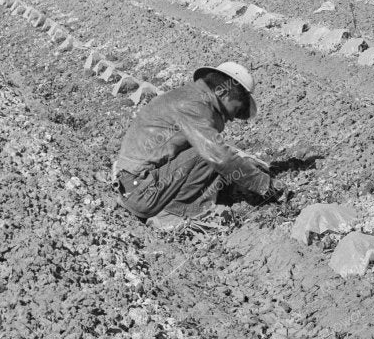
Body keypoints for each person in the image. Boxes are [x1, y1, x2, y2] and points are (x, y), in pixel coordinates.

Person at [112, 60, 270, 227]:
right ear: (224, 93)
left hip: (133, 186)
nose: (232, 118)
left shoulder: (189, 96)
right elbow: (219, 156)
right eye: (236, 109)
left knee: (213, 151)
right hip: (140, 193)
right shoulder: (195, 106)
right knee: (210, 155)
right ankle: (171, 216)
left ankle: (173, 207)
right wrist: (265, 184)